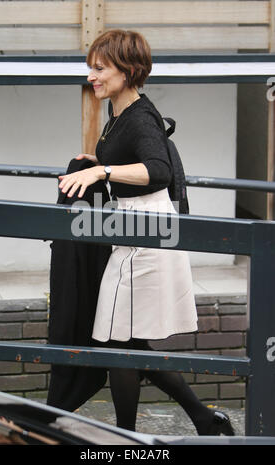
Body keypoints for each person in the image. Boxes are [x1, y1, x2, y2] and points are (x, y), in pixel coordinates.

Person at [57, 29, 234, 436]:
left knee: (119, 345)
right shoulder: (118, 112)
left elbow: (158, 170)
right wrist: (94, 161)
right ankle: (204, 420)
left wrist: (102, 170)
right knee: (128, 345)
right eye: (91, 68)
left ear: (128, 70)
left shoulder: (140, 116)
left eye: (100, 68)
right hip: (134, 229)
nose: (92, 76)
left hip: (146, 236)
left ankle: (129, 438)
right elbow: (127, 159)